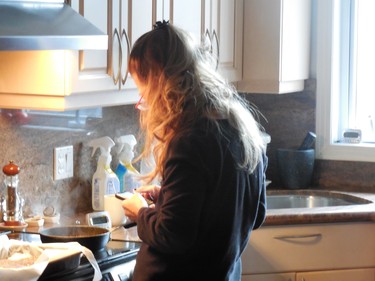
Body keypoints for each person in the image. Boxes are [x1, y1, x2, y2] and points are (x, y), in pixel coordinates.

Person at [122, 20, 268, 281]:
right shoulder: (241, 129)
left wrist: (140, 212)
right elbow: (255, 214)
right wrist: (168, 197)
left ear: (159, 84)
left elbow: (172, 234)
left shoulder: (188, 141)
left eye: (142, 90)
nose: (142, 101)